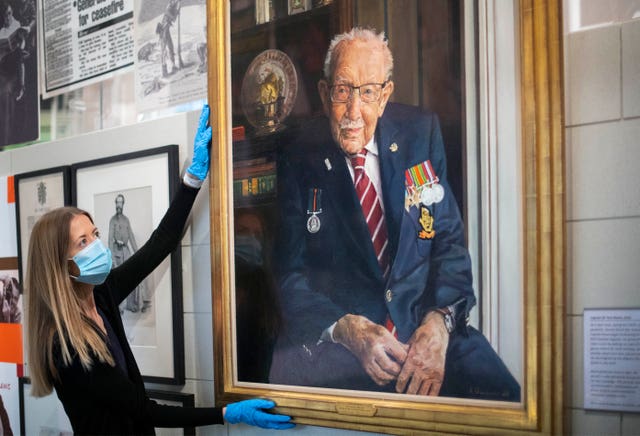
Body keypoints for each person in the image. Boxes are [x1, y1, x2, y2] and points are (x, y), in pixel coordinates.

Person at [269, 28, 520, 401]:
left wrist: (440, 322)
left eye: (368, 92)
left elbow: (447, 244)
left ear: (385, 95)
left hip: (421, 326)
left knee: (506, 400)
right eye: (343, 91)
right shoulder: (298, 155)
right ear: (324, 94)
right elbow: (289, 276)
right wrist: (347, 329)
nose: (354, 112)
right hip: (347, 342)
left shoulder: (420, 134)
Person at [24, 105, 295, 434]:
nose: (98, 245)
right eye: (83, 242)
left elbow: (159, 245)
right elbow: (144, 410)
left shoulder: (101, 295)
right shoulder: (64, 345)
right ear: (59, 265)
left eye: (95, 234)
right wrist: (227, 413)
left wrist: (192, 180)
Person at [108, 193, 147, 313]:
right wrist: (112, 259)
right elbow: (110, 240)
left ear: (123, 204)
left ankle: (132, 304)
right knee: (118, 279)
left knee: (131, 276)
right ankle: (119, 307)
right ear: (115, 204)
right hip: (116, 252)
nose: (118, 205)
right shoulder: (112, 220)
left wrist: (138, 253)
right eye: (117, 202)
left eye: (121, 202)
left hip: (126, 251)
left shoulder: (126, 220)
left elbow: (131, 237)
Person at [156, 0, 183, 77]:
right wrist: (175, 14)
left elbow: (173, 17)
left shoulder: (175, 5)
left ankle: (173, 66)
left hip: (167, 30)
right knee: (164, 50)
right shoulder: (170, 5)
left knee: (171, 47)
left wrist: (177, 12)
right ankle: (164, 71)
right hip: (164, 29)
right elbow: (168, 13)